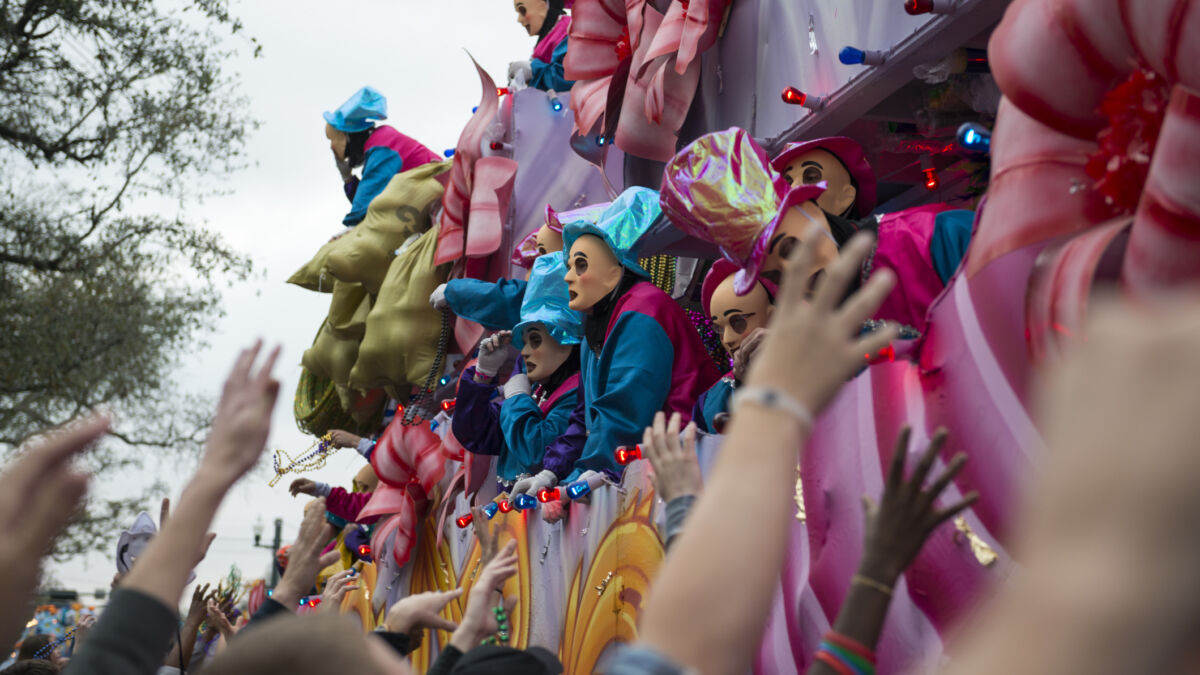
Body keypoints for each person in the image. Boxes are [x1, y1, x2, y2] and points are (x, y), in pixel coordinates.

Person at [607, 229, 900, 674]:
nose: (726, 337)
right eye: (720, 324)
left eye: (738, 321)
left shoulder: (845, 346)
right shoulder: (715, 398)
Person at [517, 187, 722, 496]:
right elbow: (584, 417)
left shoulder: (643, 309)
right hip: (647, 474)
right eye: (570, 266)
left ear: (615, 271)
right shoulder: (596, 329)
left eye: (581, 265)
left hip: (687, 472)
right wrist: (552, 471)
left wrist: (590, 470)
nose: (568, 277)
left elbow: (625, 409)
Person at [452, 252, 583, 485]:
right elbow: (476, 434)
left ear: (565, 341)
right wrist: (483, 375)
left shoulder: (577, 393)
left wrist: (516, 398)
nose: (523, 352)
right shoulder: (539, 393)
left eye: (535, 341)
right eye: (524, 343)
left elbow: (537, 453)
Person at [323, 86, 441, 228]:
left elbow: (364, 205)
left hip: (440, 204)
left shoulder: (382, 145)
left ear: (348, 136)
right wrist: (347, 177)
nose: (332, 147)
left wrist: (348, 232)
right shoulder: (377, 146)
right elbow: (371, 202)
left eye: (334, 139)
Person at [692, 260, 776, 434]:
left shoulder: (814, 376)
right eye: (719, 329)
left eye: (737, 322)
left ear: (773, 317)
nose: (728, 339)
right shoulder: (711, 401)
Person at [506, 0, 575, 93]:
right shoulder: (544, 41)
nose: (519, 20)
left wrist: (533, 70)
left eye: (522, 10)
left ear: (543, 5)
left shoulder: (570, 30)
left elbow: (573, 76)